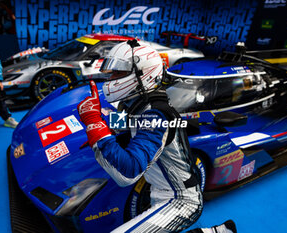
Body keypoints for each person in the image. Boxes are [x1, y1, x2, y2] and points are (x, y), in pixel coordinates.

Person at [77, 40, 236, 233]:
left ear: (143, 74)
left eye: (118, 72)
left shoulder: (156, 114)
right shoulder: (138, 104)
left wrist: (94, 124)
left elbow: (128, 173)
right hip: (161, 191)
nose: (111, 78)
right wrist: (99, 122)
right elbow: (128, 123)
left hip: (181, 201)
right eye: (111, 72)